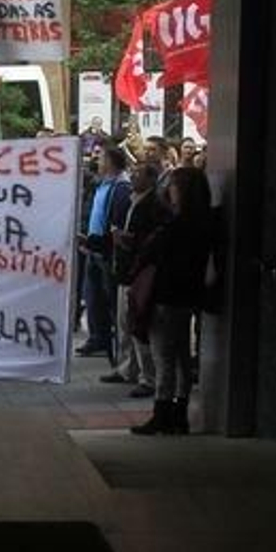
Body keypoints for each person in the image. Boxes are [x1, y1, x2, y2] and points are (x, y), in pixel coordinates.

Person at [130, 165, 214, 435]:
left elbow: (156, 256)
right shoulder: (205, 223)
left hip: (166, 295)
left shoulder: (174, 226)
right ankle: (180, 412)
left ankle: (162, 413)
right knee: (181, 356)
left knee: (164, 357)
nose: (169, 190)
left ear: (183, 191)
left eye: (174, 186)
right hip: (187, 296)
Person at [106, 161, 167, 397]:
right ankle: (128, 368)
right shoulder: (133, 200)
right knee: (125, 323)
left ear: (151, 179)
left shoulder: (154, 205)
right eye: (133, 172)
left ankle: (147, 377)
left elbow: (151, 239)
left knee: (139, 325)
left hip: (139, 273)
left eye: (139, 174)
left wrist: (128, 240)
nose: (133, 177)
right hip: (126, 270)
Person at [77, 147, 131, 360]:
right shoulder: (101, 185)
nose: (97, 162)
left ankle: (116, 344)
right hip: (93, 247)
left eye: (101, 159)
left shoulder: (121, 188)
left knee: (110, 300)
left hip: (106, 251)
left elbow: (115, 222)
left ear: (110, 162)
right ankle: (98, 338)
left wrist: (100, 243)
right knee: (93, 297)